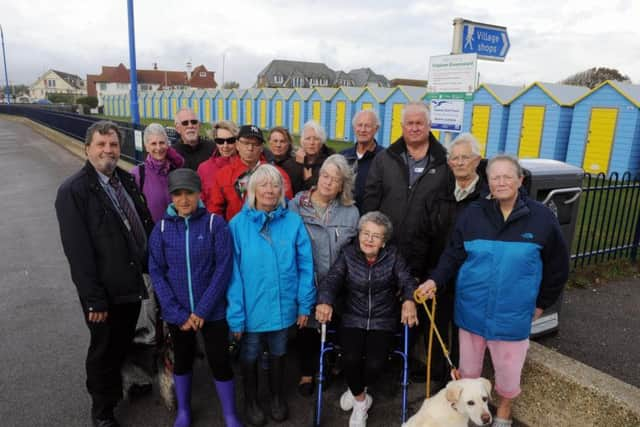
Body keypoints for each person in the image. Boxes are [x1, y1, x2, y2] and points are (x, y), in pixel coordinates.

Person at [417, 154, 569, 427]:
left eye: (507, 176)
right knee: (467, 373)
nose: (500, 182)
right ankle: (466, 418)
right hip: (471, 311)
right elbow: (453, 254)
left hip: (513, 315)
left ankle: (503, 416)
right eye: (494, 177)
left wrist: (542, 303)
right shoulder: (473, 214)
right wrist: (434, 281)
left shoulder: (542, 218)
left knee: (508, 377)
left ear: (520, 180)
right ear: (488, 182)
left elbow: (558, 266)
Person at [55, 121, 154, 427]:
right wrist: (93, 301)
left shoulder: (125, 179)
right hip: (104, 293)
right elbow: (78, 254)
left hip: (129, 284)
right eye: (101, 144)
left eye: (113, 145)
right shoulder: (74, 192)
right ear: (87, 149)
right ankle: (102, 410)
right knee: (103, 351)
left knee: (122, 342)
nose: (108, 151)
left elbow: (141, 223)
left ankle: (119, 387)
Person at [361, 101, 450, 383]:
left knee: (424, 311)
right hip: (390, 251)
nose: (414, 128)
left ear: (428, 125)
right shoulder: (386, 158)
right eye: (409, 123)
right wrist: (371, 240)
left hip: (429, 252)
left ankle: (423, 368)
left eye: (419, 123)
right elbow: (371, 201)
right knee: (388, 307)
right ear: (401, 127)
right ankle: (388, 361)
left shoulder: (443, 160)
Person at [148, 168, 241, 427]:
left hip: (211, 312)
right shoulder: (162, 229)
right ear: (171, 197)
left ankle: (230, 414)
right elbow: (156, 272)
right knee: (183, 361)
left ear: (199, 193)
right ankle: (184, 411)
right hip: (179, 316)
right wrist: (178, 314)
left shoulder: (215, 224)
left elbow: (223, 268)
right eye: (177, 194)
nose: (184, 199)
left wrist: (202, 310)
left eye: (189, 193)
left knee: (220, 361)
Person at [226, 164, 315, 426]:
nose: (269, 190)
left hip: (283, 305)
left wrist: (304, 304)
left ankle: (277, 397)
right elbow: (232, 276)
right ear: (252, 189)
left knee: (279, 351)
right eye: (263, 184)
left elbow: (305, 265)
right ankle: (252, 401)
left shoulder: (293, 222)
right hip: (251, 308)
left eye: (275, 185)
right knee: (250, 354)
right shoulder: (237, 225)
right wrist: (236, 316)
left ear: (282, 189)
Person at [315, 211, 418, 427]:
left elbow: (408, 281)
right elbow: (332, 280)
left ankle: (356, 392)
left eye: (376, 236)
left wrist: (409, 299)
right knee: (349, 359)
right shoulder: (348, 255)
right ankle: (361, 401)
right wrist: (325, 300)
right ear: (359, 234)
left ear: (384, 242)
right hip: (352, 317)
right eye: (365, 233)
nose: (369, 239)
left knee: (376, 364)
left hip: (383, 320)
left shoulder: (393, 256)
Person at [413, 132, 489, 386]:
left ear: (477, 160)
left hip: (470, 278)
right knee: (434, 327)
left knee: (462, 334)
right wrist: (420, 271)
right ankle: (437, 374)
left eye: (464, 158)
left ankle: (458, 379)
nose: (458, 163)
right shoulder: (438, 194)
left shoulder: (487, 199)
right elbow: (422, 234)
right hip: (437, 273)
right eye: (454, 158)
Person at [288, 154, 360, 396]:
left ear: (342, 186)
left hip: (338, 283)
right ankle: (307, 372)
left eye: (336, 179)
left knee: (335, 325)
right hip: (305, 279)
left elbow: (353, 251)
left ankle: (328, 363)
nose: (328, 182)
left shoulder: (351, 212)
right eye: (326, 176)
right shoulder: (296, 206)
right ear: (319, 176)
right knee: (306, 328)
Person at [207, 124, 293, 221]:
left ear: (261, 148)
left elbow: (287, 206)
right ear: (237, 145)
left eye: (255, 144)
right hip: (234, 231)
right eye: (246, 143)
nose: (250, 148)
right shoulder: (224, 174)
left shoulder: (277, 173)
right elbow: (215, 209)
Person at [131, 123, 185, 222]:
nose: (158, 148)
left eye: (162, 143)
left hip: (177, 232)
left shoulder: (174, 170)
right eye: (153, 144)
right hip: (153, 234)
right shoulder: (137, 174)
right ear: (146, 147)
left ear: (167, 144)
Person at [340, 110, 383, 211]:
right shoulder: (343, 157)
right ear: (354, 128)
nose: (362, 130)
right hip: (344, 218)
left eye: (367, 126)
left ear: (376, 129)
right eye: (359, 125)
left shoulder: (385, 158)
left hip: (371, 220)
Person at [198, 120, 239, 210]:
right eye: (220, 141)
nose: (225, 146)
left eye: (230, 140)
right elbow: (201, 200)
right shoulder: (204, 168)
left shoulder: (246, 165)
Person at [296, 120, 335, 191]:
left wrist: (309, 179)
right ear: (302, 142)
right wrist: (300, 165)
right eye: (308, 139)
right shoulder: (293, 161)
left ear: (321, 142)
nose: (312, 143)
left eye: (316, 139)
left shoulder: (329, 162)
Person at [266, 126, 304, 194]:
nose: (278, 145)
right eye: (275, 141)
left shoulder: (297, 163)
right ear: (269, 142)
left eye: (282, 141)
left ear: (289, 144)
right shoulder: (263, 161)